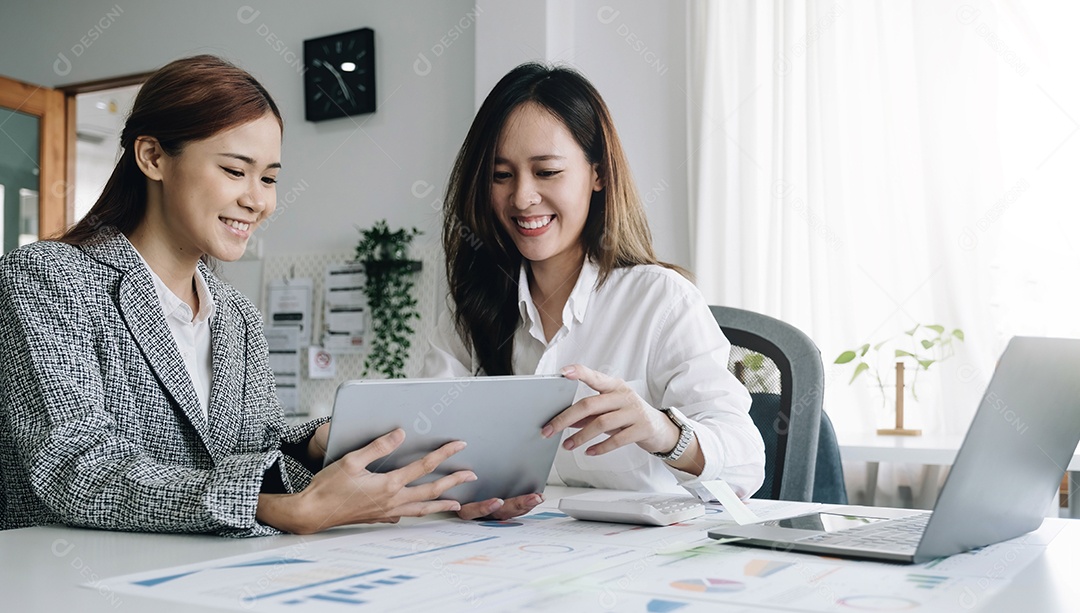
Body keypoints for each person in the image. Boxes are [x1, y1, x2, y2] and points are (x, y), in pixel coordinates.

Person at [0, 55, 474, 536]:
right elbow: (73, 470)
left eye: (269, 177)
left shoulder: (234, 314)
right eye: (234, 170)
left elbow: (254, 446)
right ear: (153, 157)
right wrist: (268, 508)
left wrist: (318, 443)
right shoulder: (47, 278)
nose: (258, 200)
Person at [424, 62, 766, 520]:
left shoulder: (661, 300)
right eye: (501, 175)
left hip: (639, 564)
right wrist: (459, 491)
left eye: (546, 172)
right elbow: (426, 447)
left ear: (598, 174)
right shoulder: (469, 308)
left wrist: (662, 432)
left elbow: (746, 463)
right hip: (510, 556)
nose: (522, 197)